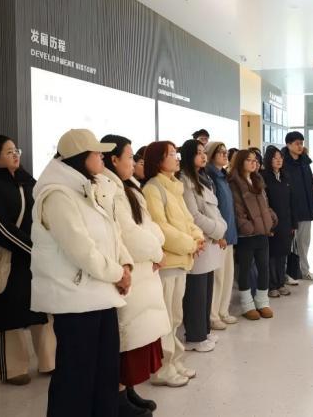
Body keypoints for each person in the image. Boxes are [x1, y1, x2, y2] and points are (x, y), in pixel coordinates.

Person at [30, 129, 133, 416]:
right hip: (75, 299)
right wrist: (118, 274)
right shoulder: (57, 196)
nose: (102, 157)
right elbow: (81, 250)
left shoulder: (88, 189)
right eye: (96, 153)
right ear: (79, 157)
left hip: (100, 294)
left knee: (105, 373)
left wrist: (125, 265)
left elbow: (112, 233)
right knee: (76, 378)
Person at [0, 135, 55, 386]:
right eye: (8, 152)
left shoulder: (27, 181)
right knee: (8, 312)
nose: (15, 154)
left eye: (15, 150)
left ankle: (49, 361)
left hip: (33, 257)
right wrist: (32, 248)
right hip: (8, 257)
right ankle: (14, 368)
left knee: (41, 309)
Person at [101, 135, 171, 416]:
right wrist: (156, 251)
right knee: (127, 340)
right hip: (133, 268)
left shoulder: (128, 186)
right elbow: (128, 233)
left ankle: (129, 390)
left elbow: (148, 224)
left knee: (139, 337)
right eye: (130, 157)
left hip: (145, 267)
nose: (134, 162)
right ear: (113, 159)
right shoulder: (110, 189)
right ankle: (119, 396)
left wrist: (157, 246)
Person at [143, 141, 204, 387]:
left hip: (182, 260)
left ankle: (175, 361)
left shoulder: (174, 186)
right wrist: (191, 244)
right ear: (158, 160)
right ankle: (161, 368)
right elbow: (161, 227)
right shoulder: (152, 188)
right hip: (168, 262)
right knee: (165, 319)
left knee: (176, 317)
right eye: (171, 154)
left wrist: (197, 237)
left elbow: (188, 220)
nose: (176, 158)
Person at [179, 139, 226, 352]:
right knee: (196, 293)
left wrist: (220, 228)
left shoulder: (203, 178)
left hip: (211, 239)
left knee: (206, 290)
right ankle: (195, 337)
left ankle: (204, 331)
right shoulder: (185, 180)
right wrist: (217, 230)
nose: (203, 156)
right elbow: (194, 215)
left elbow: (214, 210)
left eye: (203, 152)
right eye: (198, 152)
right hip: (200, 240)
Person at [228, 150, 278, 320]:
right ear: (240, 162)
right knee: (246, 269)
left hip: (262, 232)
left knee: (264, 267)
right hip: (247, 235)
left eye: (255, 160)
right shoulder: (234, 182)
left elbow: (266, 204)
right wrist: (247, 227)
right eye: (249, 160)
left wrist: (271, 219)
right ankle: (247, 304)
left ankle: (262, 302)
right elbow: (237, 211)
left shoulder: (257, 179)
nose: (253, 163)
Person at [204, 141, 238, 328]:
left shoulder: (223, 176)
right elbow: (212, 209)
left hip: (229, 232)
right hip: (218, 236)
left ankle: (223, 311)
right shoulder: (210, 176)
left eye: (226, 152)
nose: (225, 155)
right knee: (218, 277)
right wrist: (219, 234)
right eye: (221, 153)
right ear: (211, 155)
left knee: (227, 276)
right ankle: (213, 315)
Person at [282, 132, 313, 281]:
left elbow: (310, 185)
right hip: (290, 210)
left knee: (304, 242)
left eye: (301, 143)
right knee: (288, 243)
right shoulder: (283, 162)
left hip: (306, 208)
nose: (300, 146)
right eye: (297, 143)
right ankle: (287, 273)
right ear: (288, 144)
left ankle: (304, 270)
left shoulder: (305, 162)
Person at [261, 146, 297, 297]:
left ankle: (281, 283)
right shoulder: (263, 176)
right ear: (269, 159)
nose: (278, 160)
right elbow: (264, 203)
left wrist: (293, 223)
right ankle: (272, 286)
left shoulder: (285, 176)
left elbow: (292, 201)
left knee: (283, 254)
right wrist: (268, 224)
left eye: (280, 157)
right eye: (275, 157)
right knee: (271, 255)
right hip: (272, 223)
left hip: (286, 222)